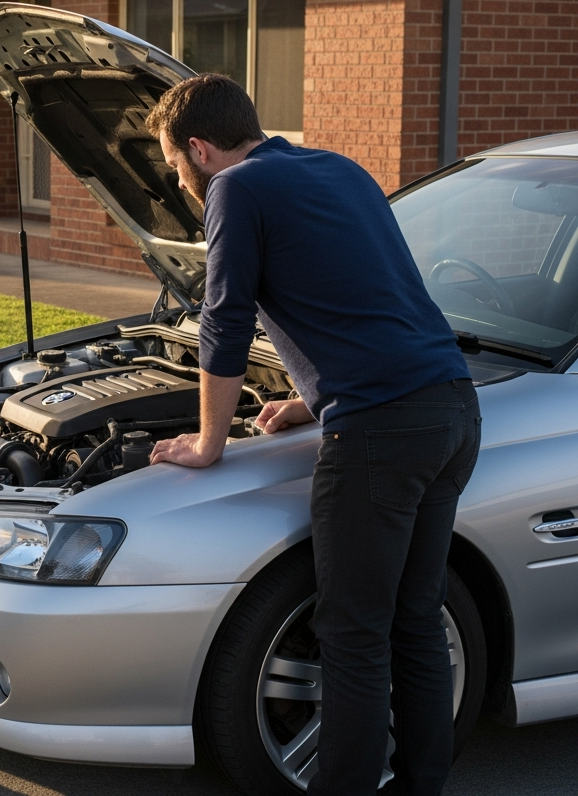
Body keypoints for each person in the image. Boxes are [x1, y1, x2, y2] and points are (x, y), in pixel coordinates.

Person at [145, 75, 480, 795]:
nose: (178, 180)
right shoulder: (339, 168)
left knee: (354, 634)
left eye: (174, 165)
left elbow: (225, 319)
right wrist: (312, 396)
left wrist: (208, 442)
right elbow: (369, 291)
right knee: (416, 621)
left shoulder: (234, 189)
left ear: (199, 149)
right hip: (452, 408)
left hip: (381, 432)